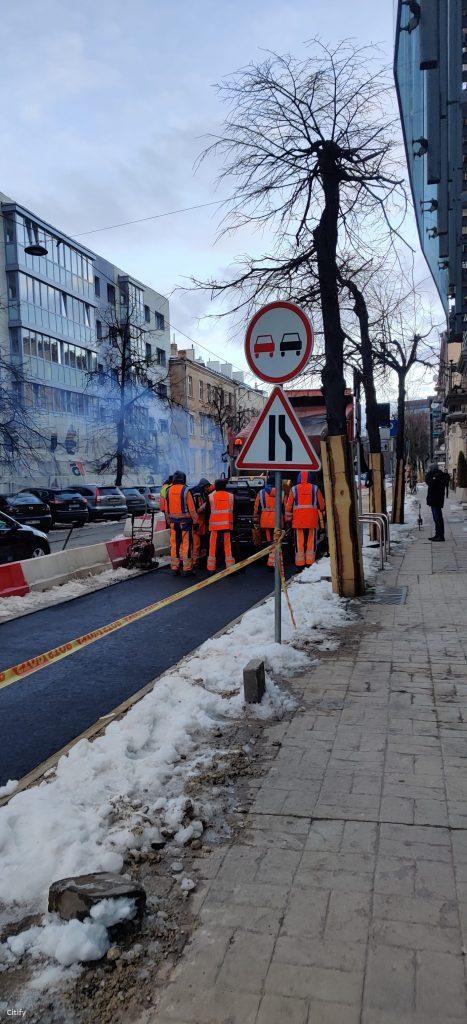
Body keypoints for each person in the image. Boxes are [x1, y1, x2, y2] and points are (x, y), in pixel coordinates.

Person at [285, 470, 326, 568]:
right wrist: (322, 511)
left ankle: (300, 563)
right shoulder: (315, 488)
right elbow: (321, 505)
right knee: (311, 541)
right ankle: (310, 562)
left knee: (299, 541)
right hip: (312, 520)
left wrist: (288, 519)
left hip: (298, 521)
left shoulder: (294, 489)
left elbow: (288, 506)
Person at [166, 471, 198, 574]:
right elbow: (192, 509)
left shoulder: (168, 490)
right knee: (186, 545)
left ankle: (175, 567)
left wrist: (168, 521)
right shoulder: (186, 490)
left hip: (173, 523)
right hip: (185, 524)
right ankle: (187, 568)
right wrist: (196, 521)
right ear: (183, 479)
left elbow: (167, 509)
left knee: (174, 545)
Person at [253, 473, 281, 569]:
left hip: (265, 520)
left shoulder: (261, 493)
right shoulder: (281, 493)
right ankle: (272, 562)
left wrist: (255, 519)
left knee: (269, 540)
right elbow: (285, 507)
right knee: (276, 540)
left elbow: (257, 508)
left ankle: (269, 558)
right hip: (277, 520)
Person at [207, 479, 235, 573]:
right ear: (225, 486)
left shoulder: (210, 497)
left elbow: (207, 512)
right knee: (228, 547)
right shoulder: (231, 497)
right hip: (227, 525)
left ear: (215, 486)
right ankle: (230, 567)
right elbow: (235, 512)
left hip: (214, 526)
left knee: (212, 547)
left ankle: (211, 568)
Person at [425, 461, 450, 542]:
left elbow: (430, 483)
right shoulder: (438, 475)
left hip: (436, 500)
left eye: (430, 469)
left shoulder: (437, 476)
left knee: (438, 518)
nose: (429, 470)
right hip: (436, 500)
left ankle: (440, 536)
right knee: (437, 518)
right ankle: (438, 535)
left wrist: (430, 475)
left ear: (433, 469)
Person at [190, 478, 212, 568]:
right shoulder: (198, 495)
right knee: (197, 543)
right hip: (198, 522)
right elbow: (197, 510)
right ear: (204, 486)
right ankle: (195, 562)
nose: (208, 488)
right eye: (207, 487)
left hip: (201, 522)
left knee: (202, 543)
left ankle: (200, 560)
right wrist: (203, 507)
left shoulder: (203, 493)